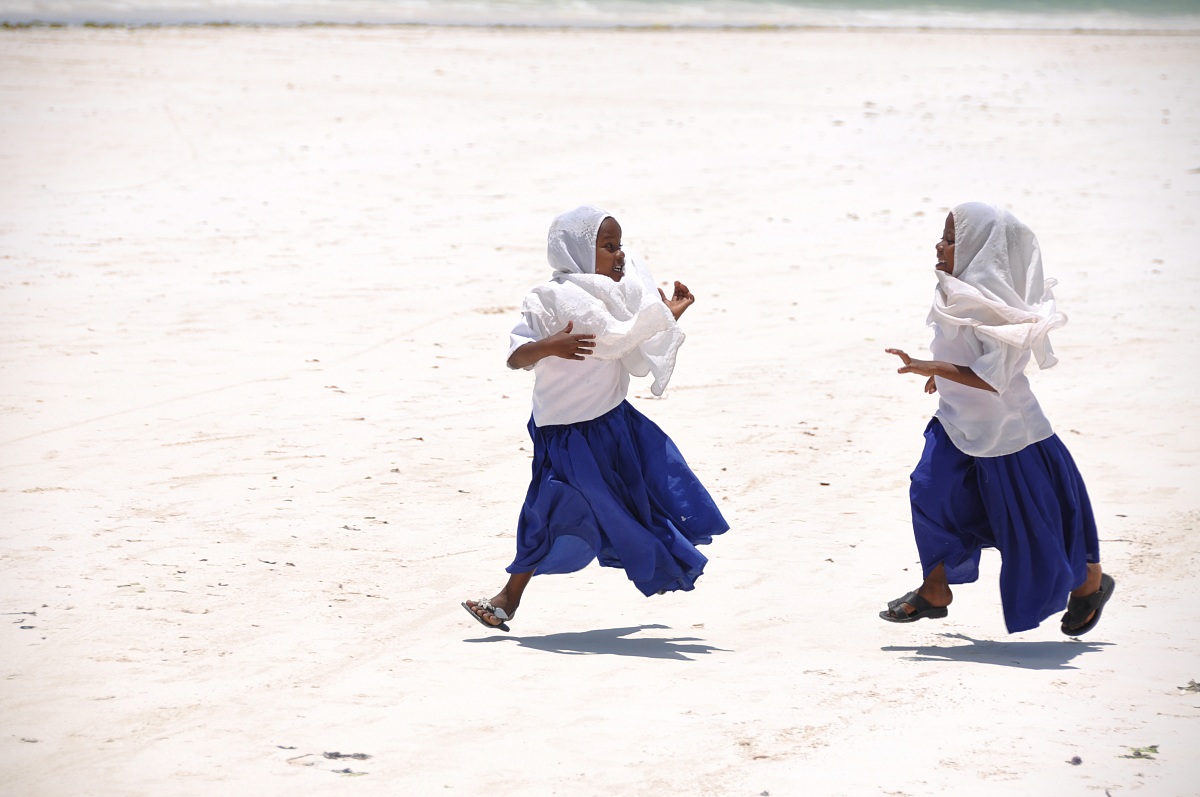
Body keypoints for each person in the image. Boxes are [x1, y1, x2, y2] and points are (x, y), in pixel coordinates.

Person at [462, 206, 729, 632]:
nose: (619, 255)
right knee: (544, 509)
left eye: (620, 245)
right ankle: (508, 598)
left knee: (651, 493)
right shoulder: (550, 299)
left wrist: (667, 315)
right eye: (608, 247)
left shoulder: (621, 297)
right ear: (578, 251)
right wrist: (551, 345)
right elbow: (516, 357)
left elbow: (631, 343)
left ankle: (669, 559)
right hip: (563, 434)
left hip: (614, 423)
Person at [880, 202, 1114, 635]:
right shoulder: (957, 291)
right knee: (929, 491)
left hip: (1009, 437)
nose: (940, 245)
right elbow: (962, 355)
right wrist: (942, 377)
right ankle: (935, 591)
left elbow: (993, 380)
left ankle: (1090, 584)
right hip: (956, 424)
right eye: (944, 236)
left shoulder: (1000, 309)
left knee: (1035, 524)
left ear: (982, 250)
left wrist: (931, 368)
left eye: (952, 240)